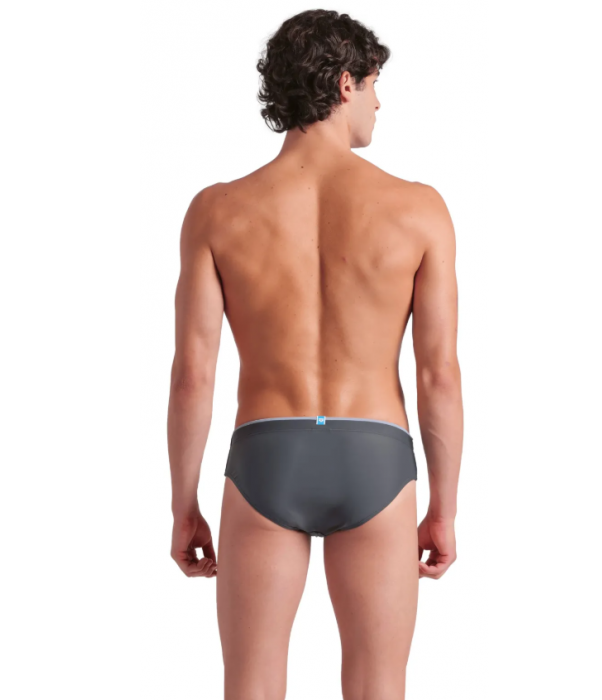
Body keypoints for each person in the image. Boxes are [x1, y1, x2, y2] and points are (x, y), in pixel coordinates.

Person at [167, 9, 463, 699]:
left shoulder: (217, 210)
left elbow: (193, 376)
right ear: (344, 83)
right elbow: (439, 375)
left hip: (268, 455)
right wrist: (444, 507)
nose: (379, 104)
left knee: (251, 684)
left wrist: (184, 505)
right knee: (378, 684)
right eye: (375, 85)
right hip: (375, 458)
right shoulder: (419, 209)